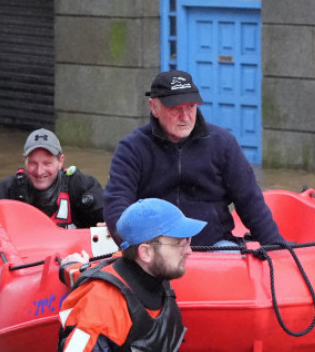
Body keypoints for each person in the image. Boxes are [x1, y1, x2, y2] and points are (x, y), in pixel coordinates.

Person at [36, 198, 206, 352]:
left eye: (188, 242)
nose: (189, 250)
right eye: (179, 243)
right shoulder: (101, 303)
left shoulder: (151, 272)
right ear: (146, 252)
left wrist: (71, 268)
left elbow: (93, 270)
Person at [103, 69, 283, 248]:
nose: (185, 117)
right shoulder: (132, 148)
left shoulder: (223, 143)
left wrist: (277, 248)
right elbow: (117, 204)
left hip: (214, 244)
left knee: (228, 251)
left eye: (190, 107)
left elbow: (250, 201)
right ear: (154, 107)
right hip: (156, 250)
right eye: (175, 109)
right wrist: (133, 247)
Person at [0, 127, 104, 229]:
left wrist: (112, 225)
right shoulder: (12, 187)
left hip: (74, 258)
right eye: (33, 163)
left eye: (47, 163)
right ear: (25, 161)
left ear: (61, 162)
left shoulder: (80, 185)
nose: (39, 171)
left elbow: (112, 215)